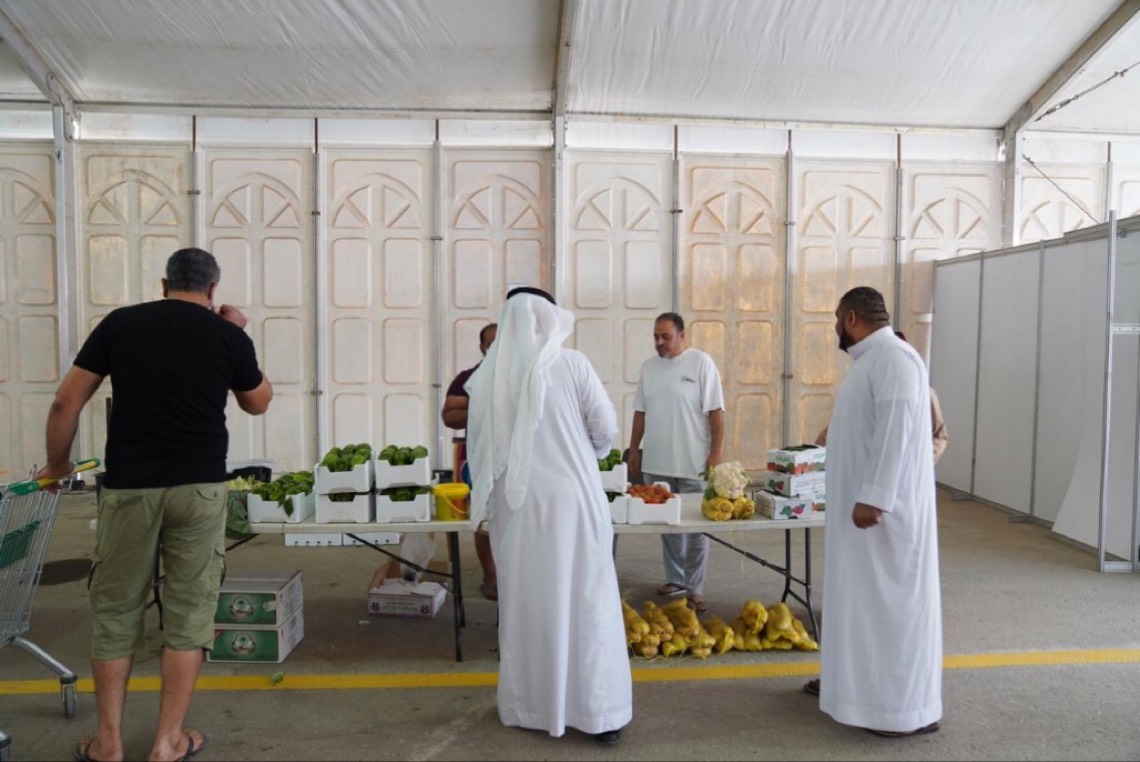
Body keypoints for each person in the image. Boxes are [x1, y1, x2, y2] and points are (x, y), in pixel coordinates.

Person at [37, 247, 273, 762]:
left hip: (130, 490)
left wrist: (56, 466)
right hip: (200, 489)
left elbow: (65, 401)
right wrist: (235, 331)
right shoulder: (227, 334)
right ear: (212, 289)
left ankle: (108, 743)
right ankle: (168, 742)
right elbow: (258, 401)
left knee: (117, 611)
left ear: (164, 284)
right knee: (189, 613)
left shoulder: (120, 324)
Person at [465, 286, 631, 744]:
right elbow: (606, 429)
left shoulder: (489, 376)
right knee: (588, 601)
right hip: (574, 502)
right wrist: (578, 451)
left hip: (516, 508)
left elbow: (480, 449)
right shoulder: (572, 364)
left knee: (529, 604)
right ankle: (600, 715)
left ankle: (532, 708)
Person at [806, 286, 942, 738]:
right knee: (859, 609)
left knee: (889, 613)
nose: (835, 329)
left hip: (884, 522)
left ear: (850, 318)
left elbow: (896, 433)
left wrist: (875, 497)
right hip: (859, 522)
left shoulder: (894, 359)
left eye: (836, 320)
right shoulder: (871, 361)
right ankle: (851, 689)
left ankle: (899, 711)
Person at [627, 312, 725, 615]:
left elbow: (716, 412)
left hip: (694, 462)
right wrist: (634, 449)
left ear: (682, 335)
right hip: (657, 461)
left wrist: (715, 454)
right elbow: (640, 412)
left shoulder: (701, 363)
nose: (659, 342)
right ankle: (676, 578)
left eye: (665, 336)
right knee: (668, 525)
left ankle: (695, 589)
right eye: (656, 336)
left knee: (696, 529)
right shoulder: (649, 368)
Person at [814, 330, 948, 463]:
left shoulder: (924, 393)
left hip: (905, 468)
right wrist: (814, 459)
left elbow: (939, 435)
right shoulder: (861, 390)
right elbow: (834, 429)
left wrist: (920, 460)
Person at [440, 322, 499, 600]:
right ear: (482, 348)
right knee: (484, 518)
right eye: (491, 343)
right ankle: (491, 576)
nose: (497, 347)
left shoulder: (527, 373)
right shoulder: (468, 378)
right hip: (482, 459)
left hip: (522, 461)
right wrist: (481, 406)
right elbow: (449, 416)